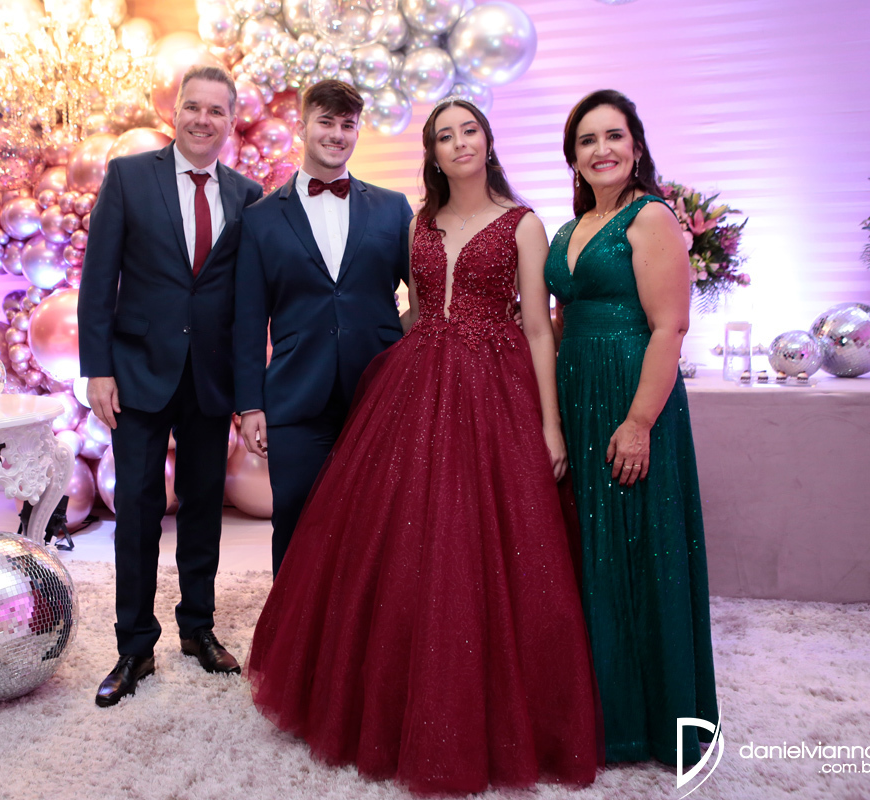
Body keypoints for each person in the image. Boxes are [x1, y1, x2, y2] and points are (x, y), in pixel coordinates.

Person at [246, 97, 601, 794]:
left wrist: (550, 424)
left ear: (488, 141)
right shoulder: (418, 223)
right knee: (399, 536)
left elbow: (538, 328)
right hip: (417, 379)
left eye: (470, 131)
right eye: (445, 136)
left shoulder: (524, 223)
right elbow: (412, 308)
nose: (459, 143)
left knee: (485, 541)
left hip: (494, 388)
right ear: (432, 154)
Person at [78, 65, 263, 707]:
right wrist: (97, 369)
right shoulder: (129, 177)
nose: (202, 119)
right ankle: (134, 646)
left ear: (230, 120)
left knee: (204, 507)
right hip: (137, 372)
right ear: (175, 112)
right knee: (136, 511)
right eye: (193, 107)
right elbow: (98, 278)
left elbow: (248, 301)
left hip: (211, 376)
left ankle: (198, 628)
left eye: (216, 110)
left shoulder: (248, 194)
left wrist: (250, 391)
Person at [543, 89, 718, 766]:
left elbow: (669, 327)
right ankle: (598, 711)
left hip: (630, 394)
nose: (602, 150)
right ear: (573, 156)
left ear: (636, 145)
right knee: (589, 550)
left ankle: (654, 719)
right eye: (587, 140)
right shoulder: (570, 229)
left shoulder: (650, 218)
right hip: (577, 392)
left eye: (613, 136)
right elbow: (559, 319)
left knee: (641, 548)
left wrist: (639, 422)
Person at [234, 79, 413, 575]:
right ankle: (290, 628)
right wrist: (250, 404)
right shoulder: (260, 220)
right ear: (302, 126)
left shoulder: (393, 207)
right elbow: (247, 321)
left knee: (377, 524)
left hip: (378, 391)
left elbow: (426, 291)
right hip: (295, 396)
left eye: (347, 125)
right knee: (296, 522)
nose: (337, 134)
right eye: (326, 122)